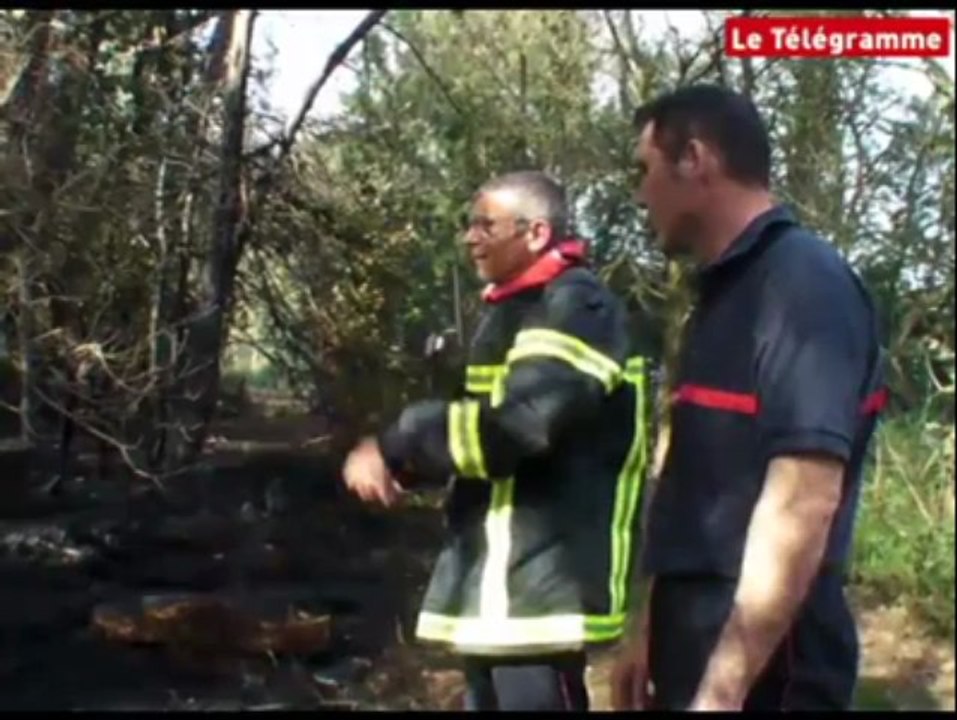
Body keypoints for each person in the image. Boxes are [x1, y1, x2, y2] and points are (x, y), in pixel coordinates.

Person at [609, 84, 887, 711]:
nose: (638, 194)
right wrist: (646, 630)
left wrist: (722, 691)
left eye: (644, 169)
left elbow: (805, 498)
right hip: (692, 645)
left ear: (695, 159)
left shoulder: (802, 286)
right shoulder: (721, 294)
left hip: (771, 674)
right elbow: (687, 485)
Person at [342, 170, 651, 711]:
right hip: (502, 582)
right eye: (470, 225)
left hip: (542, 581)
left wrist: (397, 444)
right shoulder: (510, 312)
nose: (470, 236)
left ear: (535, 233)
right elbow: (477, 430)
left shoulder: (576, 305)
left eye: (485, 224)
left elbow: (522, 426)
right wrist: (408, 470)